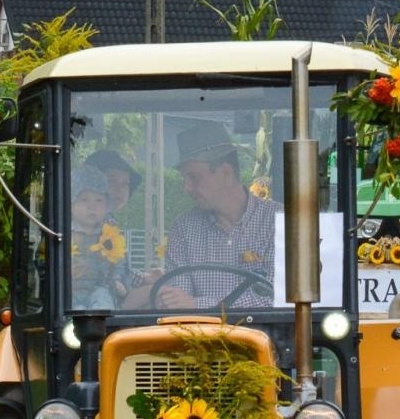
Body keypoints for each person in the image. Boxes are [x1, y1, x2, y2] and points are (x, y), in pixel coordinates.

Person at [144, 121, 279, 309]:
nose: (186, 187)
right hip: (195, 337)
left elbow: (278, 297)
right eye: (184, 178)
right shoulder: (183, 229)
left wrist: (197, 304)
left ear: (226, 173)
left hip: (271, 336)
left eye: (194, 177)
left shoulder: (279, 221)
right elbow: (176, 303)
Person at [69, 164, 140, 310]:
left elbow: (119, 262)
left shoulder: (110, 233)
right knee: (75, 311)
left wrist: (118, 280)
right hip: (68, 290)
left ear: (106, 205)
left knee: (103, 301)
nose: (92, 206)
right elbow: (43, 259)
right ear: (71, 203)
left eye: (98, 201)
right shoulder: (61, 232)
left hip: (100, 287)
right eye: (84, 200)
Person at [84, 149, 142, 215]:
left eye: (125, 183)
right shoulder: (77, 222)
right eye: (112, 181)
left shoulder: (109, 223)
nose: (120, 189)